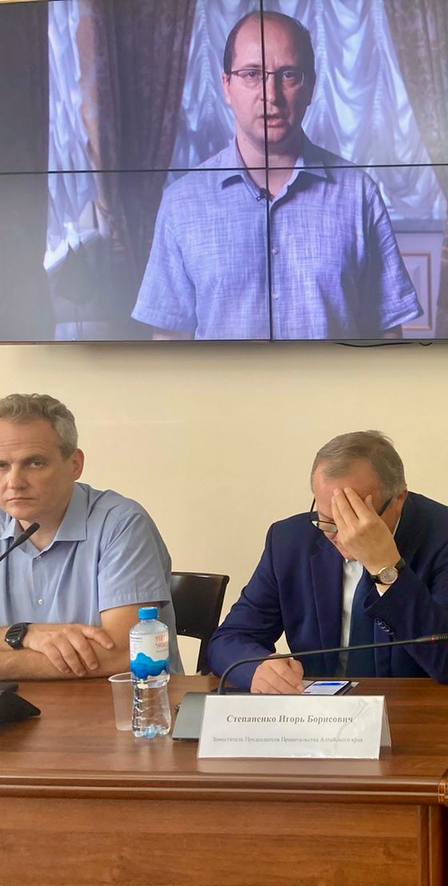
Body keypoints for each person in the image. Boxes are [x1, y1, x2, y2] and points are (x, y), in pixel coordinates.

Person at [132, 11, 421, 340]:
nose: (270, 95)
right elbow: (170, 342)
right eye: (252, 74)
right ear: (226, 86)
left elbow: (386, 334)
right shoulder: (181, 202)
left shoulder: (359, 194)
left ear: (310, 87)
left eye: (288, 75)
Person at [207, 430, 448, 692]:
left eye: (357, 517)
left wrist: (386, 568)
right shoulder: (290, 540)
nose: (344, 535)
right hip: (318, 708)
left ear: (399, 499)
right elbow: (229, 640)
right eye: (329, 520)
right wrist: (257, 669)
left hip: (412, 708)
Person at [0, 394, 178, 679]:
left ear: (75, 464)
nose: (14, 482)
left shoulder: (121, 523)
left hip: (118, 701)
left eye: (34, 463)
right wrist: (23, 634)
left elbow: (125, 653)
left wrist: (7, 661)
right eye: (1, 466)